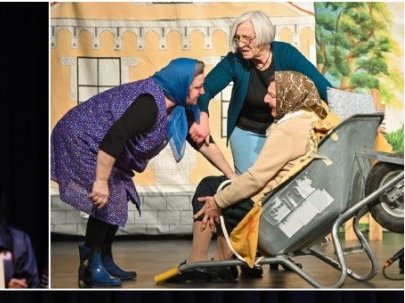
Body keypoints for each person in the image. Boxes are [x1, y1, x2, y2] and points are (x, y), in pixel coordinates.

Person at [51, 58, 237, 287]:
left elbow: (203, 143)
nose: (202, 92)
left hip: (104, 145)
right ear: (180, 85)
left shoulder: (179, 108)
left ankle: (105, 259)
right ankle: (90, 267)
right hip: (81, 138)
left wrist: (231, 175)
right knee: (108, 196)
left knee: (117, 194)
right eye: (198, 87)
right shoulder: (149, 104)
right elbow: (114, 137)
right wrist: (100, 181)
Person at [172, 72, 334, 282]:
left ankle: (195, 264)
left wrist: (218, 202)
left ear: (290, 96)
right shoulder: (311, 120)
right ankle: (224, 262)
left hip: (269, 214)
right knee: (226, 188)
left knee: (210, 188)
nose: (266, 100)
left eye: (273, 95)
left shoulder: (288, 130)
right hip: (289, 205)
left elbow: (256, 179)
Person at [189, 10, 332, 175]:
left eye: (247, 38)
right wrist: (203, 117)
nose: (241, 44)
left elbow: (323, 88)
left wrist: (353, 115)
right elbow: (204, 90)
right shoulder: (235, 61)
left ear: (264, 36)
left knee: (284, 184)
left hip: (283, 131)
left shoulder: (286, 54)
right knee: (249, 185)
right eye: (238, 38)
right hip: (247, 131)